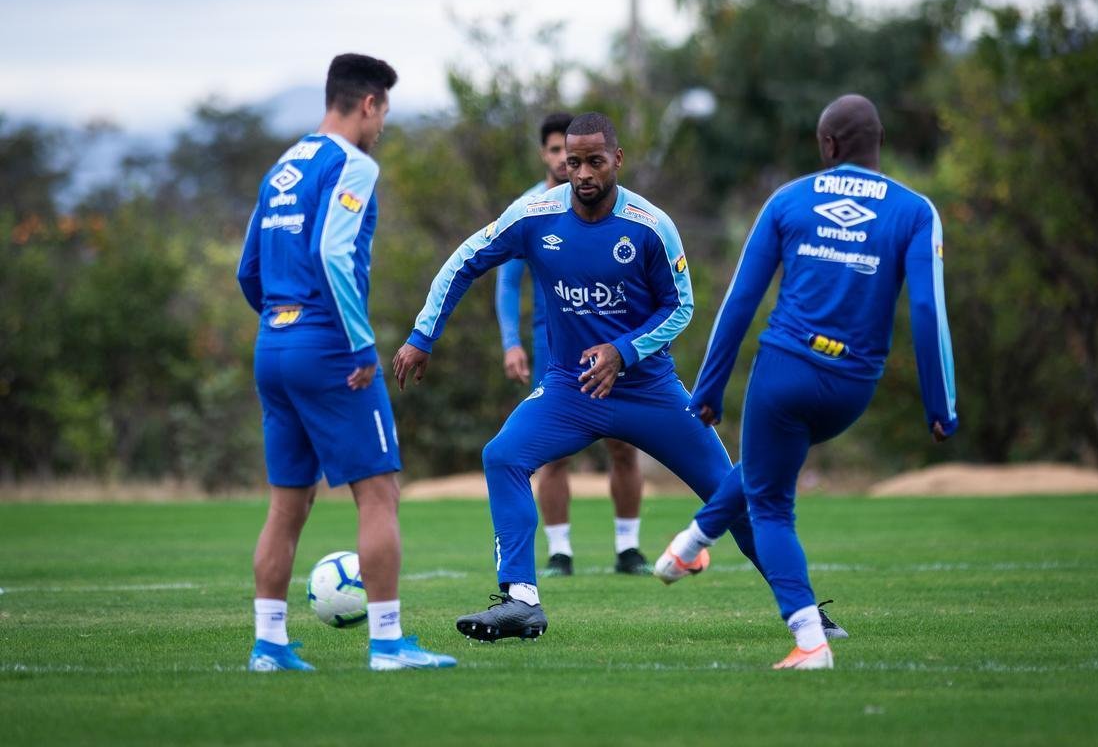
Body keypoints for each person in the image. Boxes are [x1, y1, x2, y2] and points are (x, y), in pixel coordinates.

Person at [392, 112, 763, 641]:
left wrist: (623, 351)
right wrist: (422, 335)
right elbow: (465, 260)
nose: (583, 173)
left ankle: (804, 611)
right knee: (502, 456)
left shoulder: (650, 225)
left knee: (729, 495)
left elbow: (680, 308)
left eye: (594, 161)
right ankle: (521, 600)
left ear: (617, 160)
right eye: (573, 162)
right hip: (570, 386)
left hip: (649, 390)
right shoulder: (536, 214)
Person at [652, 94, 959, 670]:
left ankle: (809, 639)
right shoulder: (916, 211)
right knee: (768, 461)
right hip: (852, 389)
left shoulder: (789, 199)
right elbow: (927, 310)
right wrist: (940, 404)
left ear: (827, 146)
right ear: (879, 145)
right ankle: (690, 547)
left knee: (770, 504)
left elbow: (740, 301)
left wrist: (709, 388)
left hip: (784, 370)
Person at [236, 53, 455, 672]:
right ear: (368, 104)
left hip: (273, 345)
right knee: (379, 493)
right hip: (329, 348)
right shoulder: (352, 165)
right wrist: (358, 345)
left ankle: (269, 646)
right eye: (383, 112)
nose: (382, 125)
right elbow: (334, 254)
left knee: (287, 503)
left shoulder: (283, 166)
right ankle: (387, 643)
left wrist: (281, 319)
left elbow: (247, 270)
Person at [495, 112, 650, 577]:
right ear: (547, 155)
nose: (572, 164)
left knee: (623, 446)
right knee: (553, 453)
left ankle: (628, 547)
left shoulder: (622, 209)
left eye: (582, 156)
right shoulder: (530, 209)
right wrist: (511, 342)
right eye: (561, 153)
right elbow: (506, 284)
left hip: (617, 343)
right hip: (556, 350)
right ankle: (559, 552)